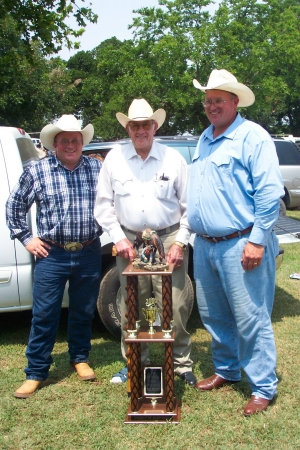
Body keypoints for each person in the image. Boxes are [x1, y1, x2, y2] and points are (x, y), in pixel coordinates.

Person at [187, 69, 284, 415]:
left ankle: (262, 386)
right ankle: (226, 370)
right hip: (206, 244)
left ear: (235, 101)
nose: (211, 106)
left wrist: (257, 241)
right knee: (214, 315)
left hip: (240, 242)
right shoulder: (204, 137)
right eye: (208, 100)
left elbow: (270, 192)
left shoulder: (252, 136)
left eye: (218, 100)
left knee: (250, 317)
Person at [94, 98, 197, 386]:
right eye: (135, 125)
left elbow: (190, 207)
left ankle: (180, 363)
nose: (141, 130)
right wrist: (118, 238)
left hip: (169, 238)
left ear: (155, 126)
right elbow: (102, 205)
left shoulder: (173, 159)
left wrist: (180, 243)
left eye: (146, 125)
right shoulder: (114, 158)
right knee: (133, 307)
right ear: (128, 128)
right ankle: (134, 363)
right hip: (129, 241)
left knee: (175, 305)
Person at [6, 115, 102, 398]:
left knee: (83, 310)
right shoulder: (37, 171)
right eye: (65, 141)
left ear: (82, 143)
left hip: (88, 249)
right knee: (45, 314)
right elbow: (14, 206)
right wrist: (26, 238)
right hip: (52, 253)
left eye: (75, 140)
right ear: (54, 144)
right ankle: (35, 372)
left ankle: (80, 358)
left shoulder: (97, 169)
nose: (71, 145)